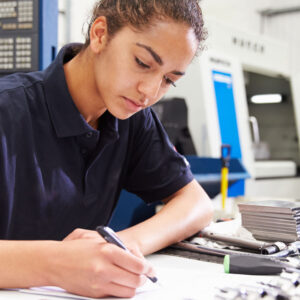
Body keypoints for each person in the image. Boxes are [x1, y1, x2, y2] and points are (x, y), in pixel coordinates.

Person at [0, 0, 213, 298]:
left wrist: (121, 244)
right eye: (142, 62)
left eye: (168, 80)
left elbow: (196, 203)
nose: (150, 92)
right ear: (100, 34)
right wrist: (57, 264)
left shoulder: (133, 120)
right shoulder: (8, 111)